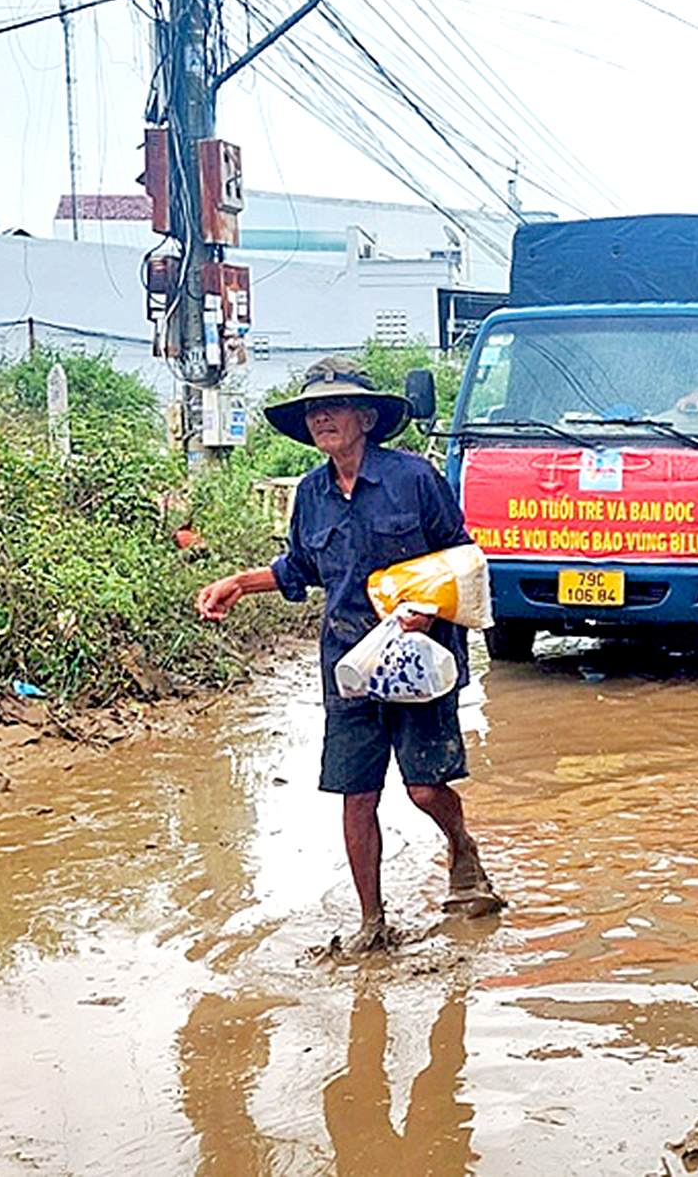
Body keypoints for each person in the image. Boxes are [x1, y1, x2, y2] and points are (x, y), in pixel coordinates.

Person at [195, 357, 500, 951]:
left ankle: (463, 848)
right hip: (350, 664)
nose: (321, 418)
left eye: (333, 407)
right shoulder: (310, 493)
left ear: (366, 417)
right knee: (355, 793)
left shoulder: (415, 479)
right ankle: (372, 923)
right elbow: (300, 569)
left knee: (424, 789)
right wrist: (238, 583)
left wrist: (427, 610)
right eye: (313, 410)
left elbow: (461, 560)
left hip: (419, 657)